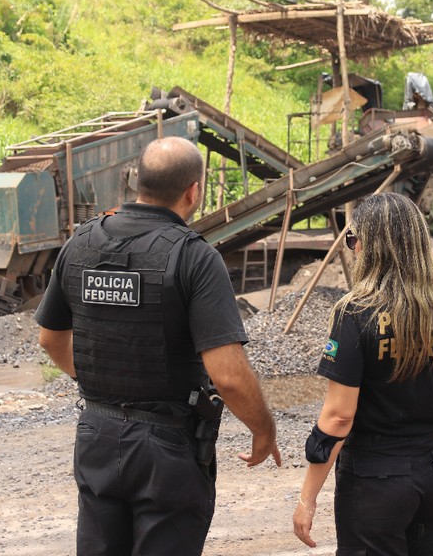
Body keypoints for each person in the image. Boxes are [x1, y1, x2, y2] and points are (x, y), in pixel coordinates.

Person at [36, 136, 281, 556]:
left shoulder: (81, 243)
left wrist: (103, 372)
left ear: (138, 181)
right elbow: (227, 375)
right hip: (166, 449)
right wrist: (264, 429)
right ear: (193, 191)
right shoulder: (194, 258)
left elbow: (51, 338)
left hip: (96, 434)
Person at [292, 192, 433, 555]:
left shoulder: (354, 313)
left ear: (370, 246)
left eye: (353, 239)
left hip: (375, 484)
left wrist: (307, 498)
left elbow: (339, 416)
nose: (353, 248)